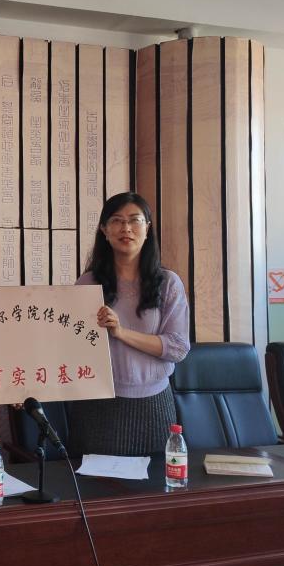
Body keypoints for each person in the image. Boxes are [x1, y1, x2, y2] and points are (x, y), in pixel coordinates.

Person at [70, 191, 190, 456]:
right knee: (97, 480)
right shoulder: (88, 283)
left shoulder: (168, 283)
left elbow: (178, 348)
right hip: (98, 406)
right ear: (104, 230)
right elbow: (69, 345)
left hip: (155, 405)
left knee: (158, 479)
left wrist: (121, 332)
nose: (126, 228)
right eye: (116, 220)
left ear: (147, 229)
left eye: (135, 220)